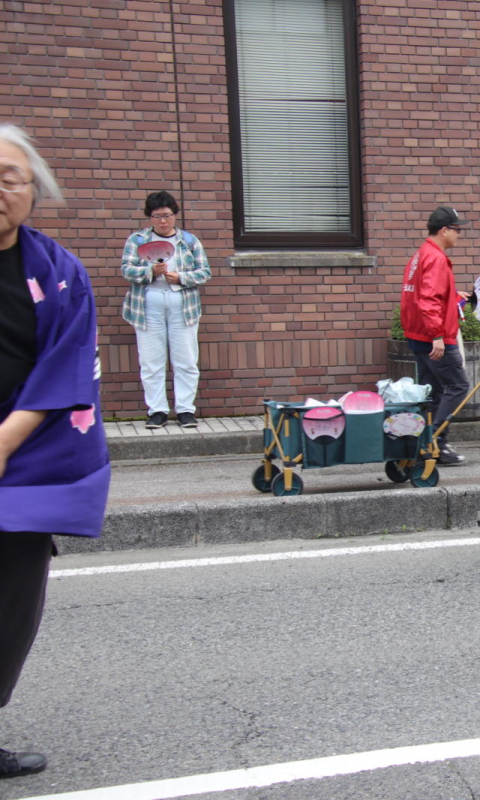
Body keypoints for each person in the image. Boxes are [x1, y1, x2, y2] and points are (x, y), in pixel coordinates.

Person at [0, 123, 110, 778]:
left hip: (26, 462)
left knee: (10, 610)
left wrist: (5, 440)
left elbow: (67, 366)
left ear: (32, 190)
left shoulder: (59, 272)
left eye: (9, 178)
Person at [120, 191, 212, 429]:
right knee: (151, 361)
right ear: (149, 217)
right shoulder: (137, 240)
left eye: (167, 215)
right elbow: (126, 270)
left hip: (183, 304)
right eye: (157, 216)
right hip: (147, 304)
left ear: (175, 215)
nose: (163, 221)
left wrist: (181, 277)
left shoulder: (189, 240)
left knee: (186, 360)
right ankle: (157, 411)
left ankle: (185, 410)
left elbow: (204, 272)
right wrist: (150, 272)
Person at [400, 205, 472, 466]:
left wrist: (453, 295)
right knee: (458, 386)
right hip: (434, 337)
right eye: (456, 230)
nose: (459, 234)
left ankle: (428, 445)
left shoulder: (421, 254)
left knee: (433, 392)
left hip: (418, 334)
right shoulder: (436, 258)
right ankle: (434, 440)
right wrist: (437, 336)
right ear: (444, 230)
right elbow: (429, 299)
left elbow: (422, 292)